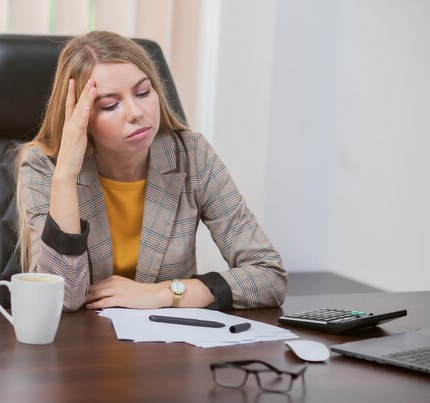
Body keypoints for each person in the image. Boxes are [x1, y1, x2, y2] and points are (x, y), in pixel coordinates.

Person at [14, 31, 287, 312]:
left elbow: (269, 275)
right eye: (110, 104)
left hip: (167, 346)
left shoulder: (191, 155)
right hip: (81, 347)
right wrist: (65, 177)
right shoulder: (43, 166)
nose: (136, 112)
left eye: (143, 92)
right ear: (79, 119)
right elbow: (62, 299)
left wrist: (166, 293)